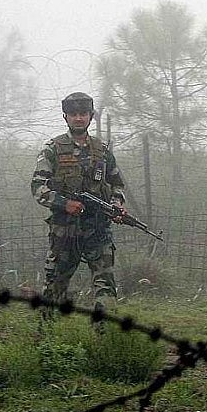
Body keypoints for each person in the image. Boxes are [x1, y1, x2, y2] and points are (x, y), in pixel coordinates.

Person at [31, 92, 127, 315]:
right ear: (65, 116)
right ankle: (47, 339)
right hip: (65, 231)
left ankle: (105, 338)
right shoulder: (52, 149)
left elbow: (117, 184)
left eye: (83, 114)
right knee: (55, 285)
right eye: (73, 114)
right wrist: (64, 204)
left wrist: (117, 205)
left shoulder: (102, 151)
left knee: (105, 285)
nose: (78, 118)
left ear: (90, 116)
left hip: (98, 229)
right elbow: (38, 187)